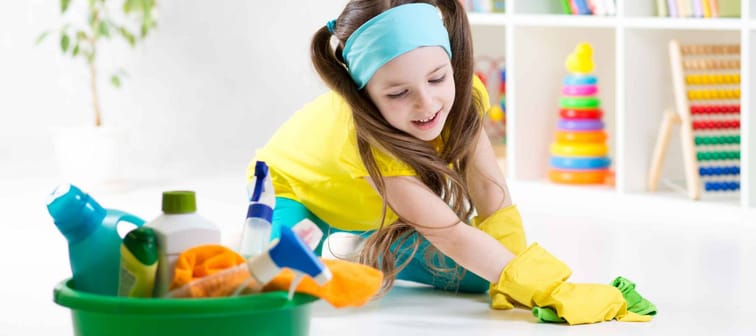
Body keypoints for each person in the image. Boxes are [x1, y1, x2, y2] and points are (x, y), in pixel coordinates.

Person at [249, 0, 654, 325]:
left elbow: (489, 189)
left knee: (489, 273)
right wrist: (548, 289)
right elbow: (452, 235)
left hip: (370, 206)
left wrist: (519, 280)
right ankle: (340, 245)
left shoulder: (466, 97)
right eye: (397, 93)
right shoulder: (366, 140)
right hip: (292, 190)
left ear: (451, 65)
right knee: (278, 281)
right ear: (365, 96)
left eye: (437, 78)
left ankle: (364, 248)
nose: (427, 104)